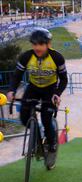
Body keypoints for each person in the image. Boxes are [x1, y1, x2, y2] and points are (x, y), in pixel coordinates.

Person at [7, 28, 68, 169]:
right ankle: (36, 133)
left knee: (47, 119)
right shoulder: (26, 56)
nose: (37, 47)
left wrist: (57, 94)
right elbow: (16, 76)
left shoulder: (57, 57)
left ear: (48, 44)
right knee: (23, 116)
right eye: (34, 44)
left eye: (41, 44)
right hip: (33, 88)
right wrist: (11, 90)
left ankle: (52, 144)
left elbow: (64, 79)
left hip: (50, 89)